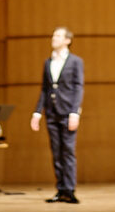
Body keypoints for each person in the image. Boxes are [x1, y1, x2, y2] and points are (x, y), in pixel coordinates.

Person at [30, 27, 84, 204]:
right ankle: (60, 189)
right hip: (51, 113)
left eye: (58, 35)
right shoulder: (48, 62)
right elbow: (45, 89)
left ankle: (70, 190)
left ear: (68, 40)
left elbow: (78, 87)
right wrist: (37, 112)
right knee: (56, 152)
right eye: (53, 35)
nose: (54, 37)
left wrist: (75, 112)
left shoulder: (76, 61)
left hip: (68, 113)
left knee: (68, 152)